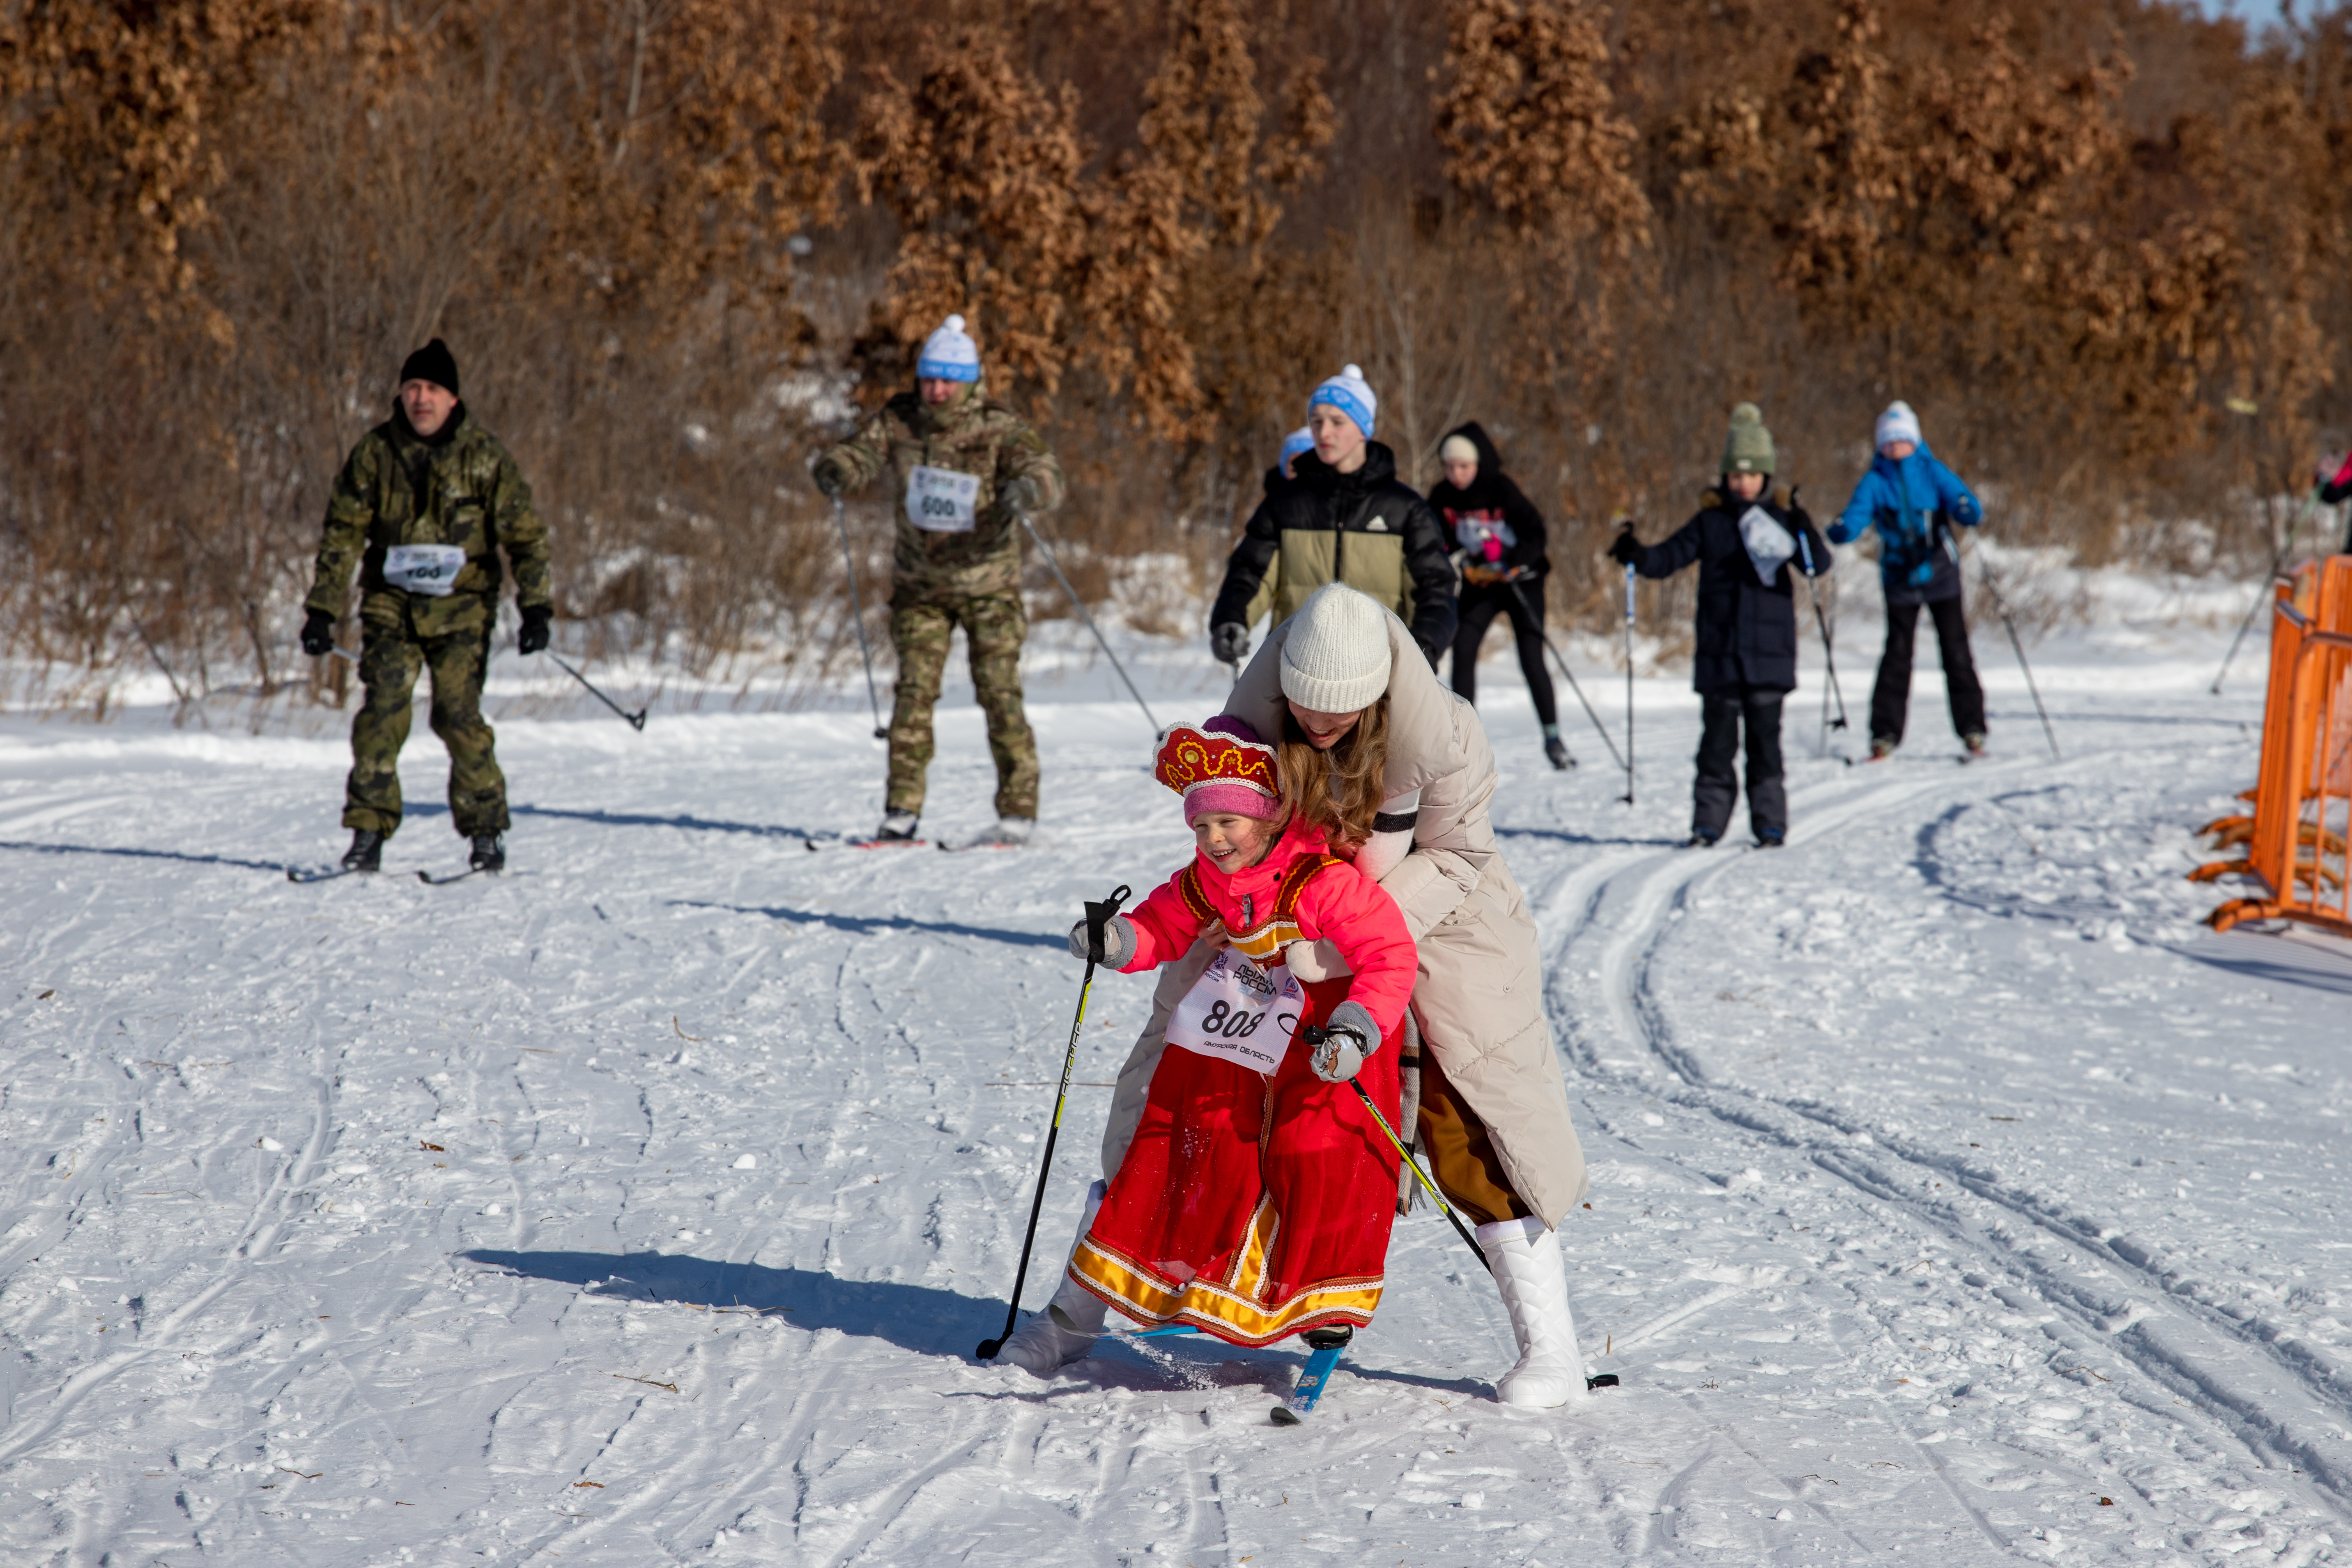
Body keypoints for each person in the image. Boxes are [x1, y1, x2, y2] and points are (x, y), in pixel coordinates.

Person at [1074, 584, 1592, 1407]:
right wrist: (1256, 914)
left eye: (1339, 711)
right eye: (1305, 708)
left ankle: (1552, 1351)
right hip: (1279, 912)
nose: (1318, 725)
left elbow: (1456, 857)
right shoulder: (1258, 722)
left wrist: (1349, 932)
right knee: (1178, 1079)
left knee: (1472, 1111)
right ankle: (1081, 1309)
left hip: (1428, 915)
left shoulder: (1449, 735)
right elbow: (1235, 820)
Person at [996, 715, 1417, 1370]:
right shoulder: (1202, 881)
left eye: (1229, 823)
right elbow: (1160, 926)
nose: (1214, 839)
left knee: (1316, 1161)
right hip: (1234, 1048)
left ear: (1271, 818)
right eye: (1200, 826)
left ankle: (1320, 1309)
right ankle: (1104, 1304)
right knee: (1184, 1154)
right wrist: (1117, 941)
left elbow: (1388, 953)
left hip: (1322, 1050)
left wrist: (1357, 1027)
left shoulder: (1321, 882)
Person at [299, 338, 551, 875]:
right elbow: (342, 535)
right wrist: (322, 608)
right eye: (413, 387)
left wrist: (537, 608)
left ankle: (485, 832)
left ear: (453, 399)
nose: (421, 398)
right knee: (383, 710)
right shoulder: (374, 455)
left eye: (433, 389)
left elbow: (526, 538)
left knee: (456, 715)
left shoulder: (485, 459)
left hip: (463, 610)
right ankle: (367, 833)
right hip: (392, 607)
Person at [813, 315, 1066, 845]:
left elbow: (1045, 472)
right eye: (928, 378)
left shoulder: (999, 426)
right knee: (912, 697)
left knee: (999, 693)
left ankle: (1018, 813)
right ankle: (900, 812)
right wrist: (838, 466)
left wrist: (1027, 491)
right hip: (919, 590)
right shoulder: (900, 419)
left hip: (988, 587)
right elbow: (862, 452)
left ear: (969, 381)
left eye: (947, 380)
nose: (935, 389)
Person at [1609, 404, 1827, 848]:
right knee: (1716, 746)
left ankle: (1770, 823)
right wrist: (1638, 553)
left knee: (1765, 746)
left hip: (1769, 657)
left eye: (1750, 475)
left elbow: (1815, 565)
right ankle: (1707, 824)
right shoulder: (1711, 522)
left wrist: (1806, 528)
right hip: (1720, 656)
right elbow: (1669, 556)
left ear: (1766, 476)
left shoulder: (1783, 521)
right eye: (1734, 475)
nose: (1742, 483)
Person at [1207, 366, 1456, 672]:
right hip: (1295, 667)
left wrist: (1423, 648)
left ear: (1363, 428)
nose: (1323, 432)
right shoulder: (1285, 502)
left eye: (1337, 422)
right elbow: (1250, 570)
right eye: (1316, 422)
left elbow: (1435, 587)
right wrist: (1231, 618)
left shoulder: (1405, 508)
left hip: (1378, 672)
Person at [1828, 400, 1987, 760]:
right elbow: (1856, 516)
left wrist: (1966, 510)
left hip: (1941, 574)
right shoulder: (1875, 480)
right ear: (1879, 445)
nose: (1895, 447)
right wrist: (1842, 531)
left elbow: (1966, 503)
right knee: (1897, 656)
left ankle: (1972, 730)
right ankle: (1884, 735)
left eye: (1901, 440)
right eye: (1888, 441)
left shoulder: (1932, 471)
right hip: (1899, 579)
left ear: (1914, 441)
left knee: (1956, 652)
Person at [1428, 422, 1568, 770]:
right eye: (1449, 467)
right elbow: (1437, 538)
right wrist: (1451, 553)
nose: (1456, 475)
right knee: (1463, 649)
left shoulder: (1501, 489)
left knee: (1531, 656)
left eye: (1463, 467)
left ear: (1478, 465)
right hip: (1481, 584)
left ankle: (1552, 738)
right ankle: (1463, 738)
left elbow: (1536, 533)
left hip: (1521, 581)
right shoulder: (1442, 497)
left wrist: (1511, 558)